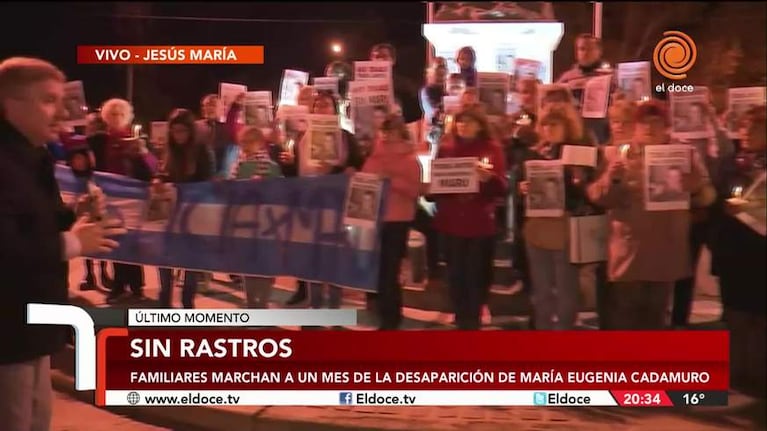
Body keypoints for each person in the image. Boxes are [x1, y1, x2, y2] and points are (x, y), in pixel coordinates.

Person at [1, 56, 124, 431]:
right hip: (8, 333)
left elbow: (38, 220)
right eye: (47, 100)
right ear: (10, 104)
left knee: (37, 419)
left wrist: (76, 211)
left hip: (35, 324)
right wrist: (70, 244)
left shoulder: (33, 156)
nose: (61, 112)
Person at [587, 100, 713, 329]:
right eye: (643, 123)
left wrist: (692, 183)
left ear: (666, 126)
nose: (649, 128)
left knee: (655, 317)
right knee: (625, 316)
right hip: (629, 252)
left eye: (656, 123)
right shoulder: (617, 154)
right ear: (635, 126)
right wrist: (612, 179)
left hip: (665, 250)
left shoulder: (684, 154)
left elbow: (706, 194)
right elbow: (597, 196)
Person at [432, 106, 508, 329]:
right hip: (452, 221)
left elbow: (502, 188)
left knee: (476, 273)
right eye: (460, 122)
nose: (463, 126)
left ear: (480, 125)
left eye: (469, 121)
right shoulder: (446, 148)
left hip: (479, 222)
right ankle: (459, 315)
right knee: (455, 273)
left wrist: (489, 179)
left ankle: (472, 319)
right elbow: (438, 184)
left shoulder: (492, 149)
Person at [708, 105, 766, 397]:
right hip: (733, 248)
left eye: (753, 128)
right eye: (742, 127)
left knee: (759, 314)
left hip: (761, 250)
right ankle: (736, 371)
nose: (745, 133)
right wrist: (724, 207)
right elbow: (714, 197)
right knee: (734, 313)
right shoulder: (729, 163)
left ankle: (758, 373)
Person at [517, 108, 589, 330]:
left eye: (554, 125)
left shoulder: (578, 153)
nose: (549, 130)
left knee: (566, 286)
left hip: (564, 226)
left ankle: (564, 331)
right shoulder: (534, 154)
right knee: (541, 288)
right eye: (545, 125)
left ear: (567, 127)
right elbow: (520, 193)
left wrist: (579, 179)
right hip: (537, 227)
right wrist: (522, 188)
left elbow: (586, 194)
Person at [362, 113, 421, 329]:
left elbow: (415, 190)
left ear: (400, 133)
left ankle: (391, 318)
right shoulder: (374, 156)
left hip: (397, 220)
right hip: (373, 218)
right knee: (376, 269)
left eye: (391, 132)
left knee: (389, 271)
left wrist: (390, 180)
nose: (386, 136)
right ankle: (381, 309)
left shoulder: (409, 159)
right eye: (384, 131)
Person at [99, 98, 155, 303]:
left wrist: (142, 152)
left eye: (120, 114)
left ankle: (136, 286)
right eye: (112, 114)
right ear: (106, 117)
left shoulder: (135, 139)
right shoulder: (100, 141)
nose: (116, 118)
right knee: (114, 241)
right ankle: (119, 285)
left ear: (127, 117)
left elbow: (151, 169)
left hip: (131, 199)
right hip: (109, 198)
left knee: (132, 242)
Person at [155, 108, 213, 309]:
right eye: (174, 131)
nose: (178, 135)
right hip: (170, 215)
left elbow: (208, 181)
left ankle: (188, 301)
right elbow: (163, 174)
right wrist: (159, 181)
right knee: (164, 258)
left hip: (194, 216)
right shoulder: (169, 152)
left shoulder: (202, 152)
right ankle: (164, 300)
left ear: (191, 131)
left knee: (191, 260)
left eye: (182, 131)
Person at [557, 33, 612, 145]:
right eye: (581, 49)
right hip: (574, 129)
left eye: (590, 49)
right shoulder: (567, 78)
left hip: (601, 129)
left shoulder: (611, 77)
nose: (585, 53)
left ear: (599, 51)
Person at [369, 43, 422, 124]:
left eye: (384, 56)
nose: (379, 60)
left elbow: (416, 113)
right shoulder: (363, 85)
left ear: (393, 60)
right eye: (376, 56)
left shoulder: (406, 85)